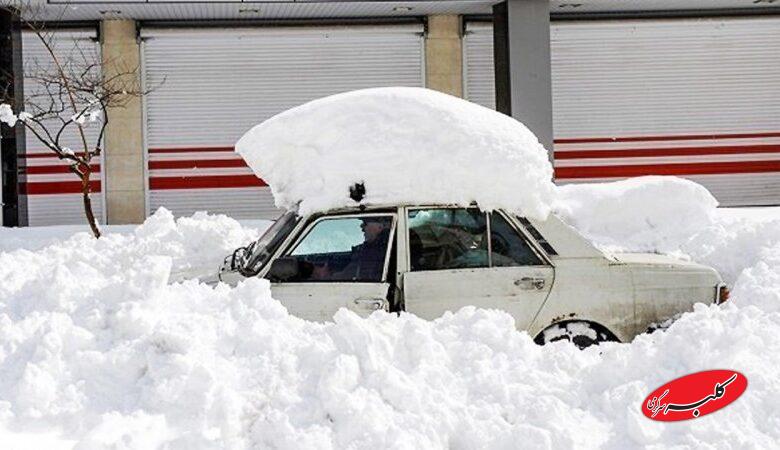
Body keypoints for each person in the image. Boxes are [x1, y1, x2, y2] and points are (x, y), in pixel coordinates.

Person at [332, 217, 391, 281]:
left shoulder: (377, 250)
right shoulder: (376, 247)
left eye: (365, 223)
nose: (362, 228)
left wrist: (328, 276)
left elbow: (350, 273)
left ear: (381, 226)